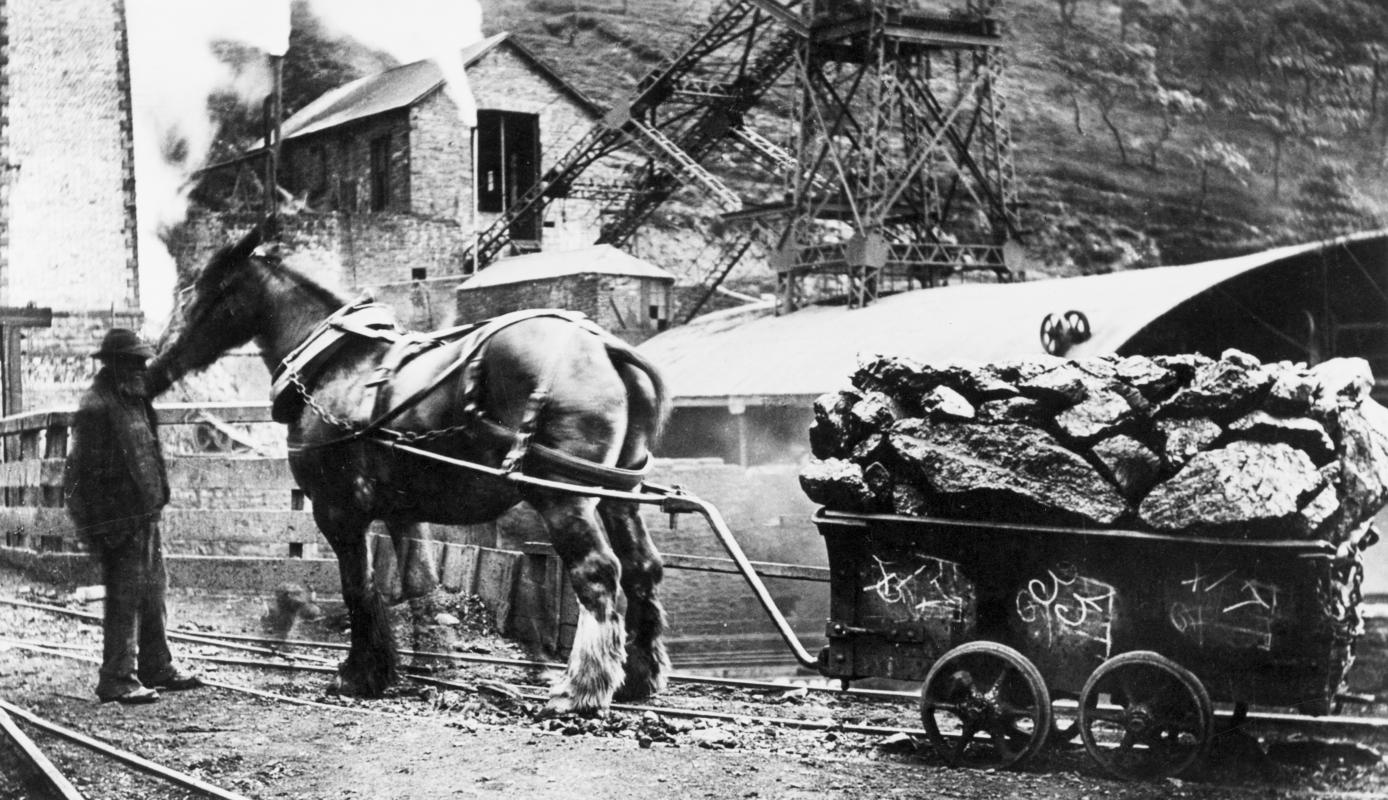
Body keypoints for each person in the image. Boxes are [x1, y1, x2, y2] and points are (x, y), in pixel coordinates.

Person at [62, 328, 203, 704]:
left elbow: (149, 452)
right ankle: (117, 678)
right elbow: (79, 476)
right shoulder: (96, 406)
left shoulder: (136, 399)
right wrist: (101, 528)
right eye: (135, 362)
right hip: (118, 522)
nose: (142, 368)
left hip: (146, 515)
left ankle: (157, 666)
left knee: (153, 593)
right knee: (124, 600)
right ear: (115, 364)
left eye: (143, 362)